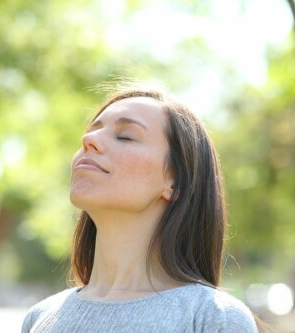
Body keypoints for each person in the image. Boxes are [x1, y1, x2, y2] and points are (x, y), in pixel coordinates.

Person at [21, 84, 258, 333]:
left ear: (175, 181)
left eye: (125, 136)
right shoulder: (40, 317)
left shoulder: (212, 317)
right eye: (92, 131)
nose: (88, 140)